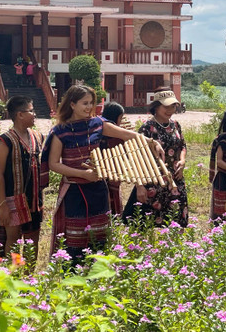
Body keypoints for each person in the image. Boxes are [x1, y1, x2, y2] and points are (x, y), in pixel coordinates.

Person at [42, 85, 164, 264]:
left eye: (91, 103)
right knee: (75, 238)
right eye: (84, 103)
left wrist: (152, 142)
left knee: (100, 236)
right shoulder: (60, 131)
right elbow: (54, 164)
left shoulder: (97, 124)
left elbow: (127, 135)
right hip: (74, 192)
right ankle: (74, 277)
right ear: (72, 104)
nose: (89, 107)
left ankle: (97, 278)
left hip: (98, 190)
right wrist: (83, 175)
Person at [0, 96, 46, 264]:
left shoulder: (37, 137)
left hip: (35, 199)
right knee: (12, 240)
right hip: (12, 199)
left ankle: (29, 278)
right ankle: (12, 276)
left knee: (32, 239)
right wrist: (2, 204)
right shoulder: (5, 141)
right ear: (20, 115)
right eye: (31, 111)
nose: (34, 114)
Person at [121, 88, 188, 227]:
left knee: (176, 221)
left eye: (173, 106)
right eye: (166, 106)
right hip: (153, 181)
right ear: (156, 107)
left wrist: (182, 160)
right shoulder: (147, 128)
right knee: (146, 223)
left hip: (175, 180)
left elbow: (182, 145)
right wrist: (139, 185)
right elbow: (136, 158)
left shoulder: (175, 125)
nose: (170, 109)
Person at [99, 101, 130, 216]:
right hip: (113, 173)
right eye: (121, 118)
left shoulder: (98, 131)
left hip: (99, 172)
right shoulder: (117, 137)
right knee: (112, 197)